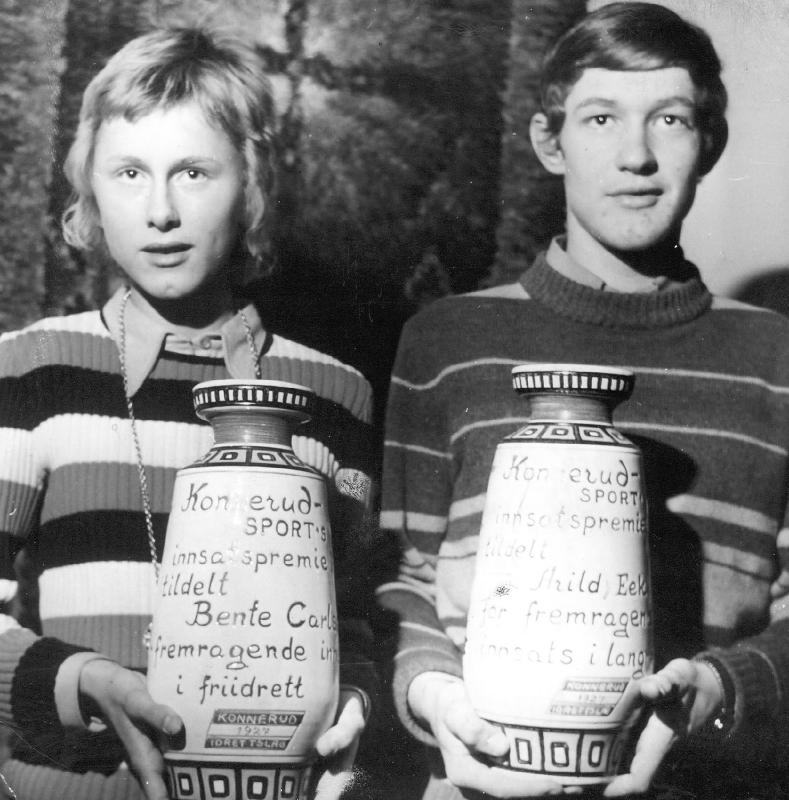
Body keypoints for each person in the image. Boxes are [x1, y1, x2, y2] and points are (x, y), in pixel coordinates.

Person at [376, 3, 789, 798]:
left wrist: (719, 690)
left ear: (709, 142)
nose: (635, 156)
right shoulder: (446, 341)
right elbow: (404, 582)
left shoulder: (776, 356)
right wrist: (432, 694)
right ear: (548, 140)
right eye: (600, 118)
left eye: (669, 119)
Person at [0, 27, 378, 800]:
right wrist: (78, 678)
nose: (160, 211)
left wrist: (355, 703)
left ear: (251, 185)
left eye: (194, 173)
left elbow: (353, 625)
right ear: (91, 189)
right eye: (129, 173)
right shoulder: (29, 369)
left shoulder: (334, 393)